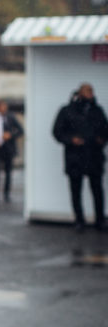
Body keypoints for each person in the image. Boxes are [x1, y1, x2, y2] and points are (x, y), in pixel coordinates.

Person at [53, 84, 108, 231]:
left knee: (97, 190)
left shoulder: (97, 110)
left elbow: (105, 130)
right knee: (76, 191)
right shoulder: (67, 111)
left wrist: (101, 139)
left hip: (94, 156)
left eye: (92, 91)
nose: (91, 93)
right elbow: (57, 132)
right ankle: (79, 220)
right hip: (75, 157)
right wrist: (71, 140)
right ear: (80, 93)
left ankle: (100, 220)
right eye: (88, 91)